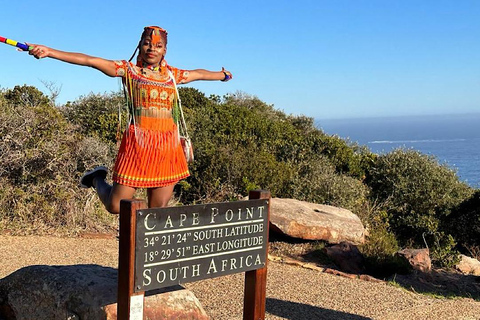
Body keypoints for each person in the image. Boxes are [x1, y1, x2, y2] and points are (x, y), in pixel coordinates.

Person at [28, 26, 232, 214]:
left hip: (167, 147)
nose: (152, 48)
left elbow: (199, 74)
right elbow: (90, 60)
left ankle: (145, 250)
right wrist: (50, 52)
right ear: (140, 46)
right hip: (138, 144)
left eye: (158, 46)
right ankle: (96, 178)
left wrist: (222, 75)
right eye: (147, 43)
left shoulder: (172, 75)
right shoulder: (128, 70)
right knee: (116, 205)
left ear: (165, 51)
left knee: (157, 211)